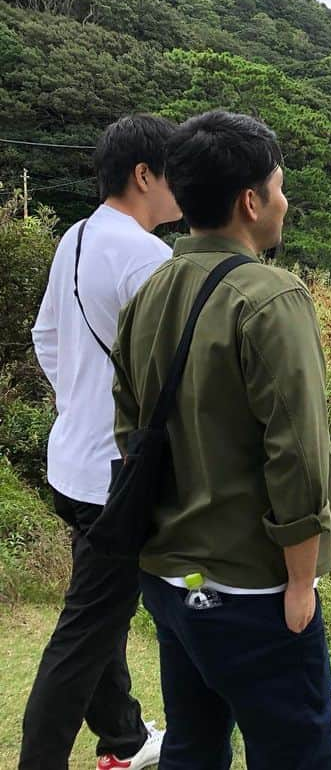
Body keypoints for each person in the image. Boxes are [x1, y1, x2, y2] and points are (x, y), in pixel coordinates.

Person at [111, 110, 331, 769]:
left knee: (195, 742)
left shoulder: (147, 294)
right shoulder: (270, 297)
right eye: (280, 186)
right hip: (250, 590)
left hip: (170, 577)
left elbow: (128, 432)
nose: (285, 200)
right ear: (251, 200)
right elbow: (297, 453)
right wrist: (301, 583)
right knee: (295, 753)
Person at [23, 115, 179, 770]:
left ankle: (124, 737)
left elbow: (45, 337)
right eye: (175, 174)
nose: (183, 190)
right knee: (86, 632)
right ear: (144, 175)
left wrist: (81, 403)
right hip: (117, 480)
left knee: (102, 610)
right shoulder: (150, 257)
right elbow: (174, 377)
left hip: (71, 466)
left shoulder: (78, 237)